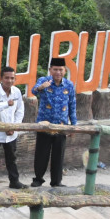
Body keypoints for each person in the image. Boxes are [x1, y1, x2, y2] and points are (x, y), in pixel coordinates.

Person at [31, 56, 77, 187]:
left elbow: (72, 105)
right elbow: (33, 91)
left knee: (58, 155)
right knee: (41, 154)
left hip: (61, 126)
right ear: (50, 70)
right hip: (44, 125)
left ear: (65, 71)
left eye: (60, 70)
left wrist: (73, 125)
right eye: (55, 69)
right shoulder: (44, 81)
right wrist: (41, 88)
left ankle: (56, 181)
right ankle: (38, 179)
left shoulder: (69, 85)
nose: (58, 72)